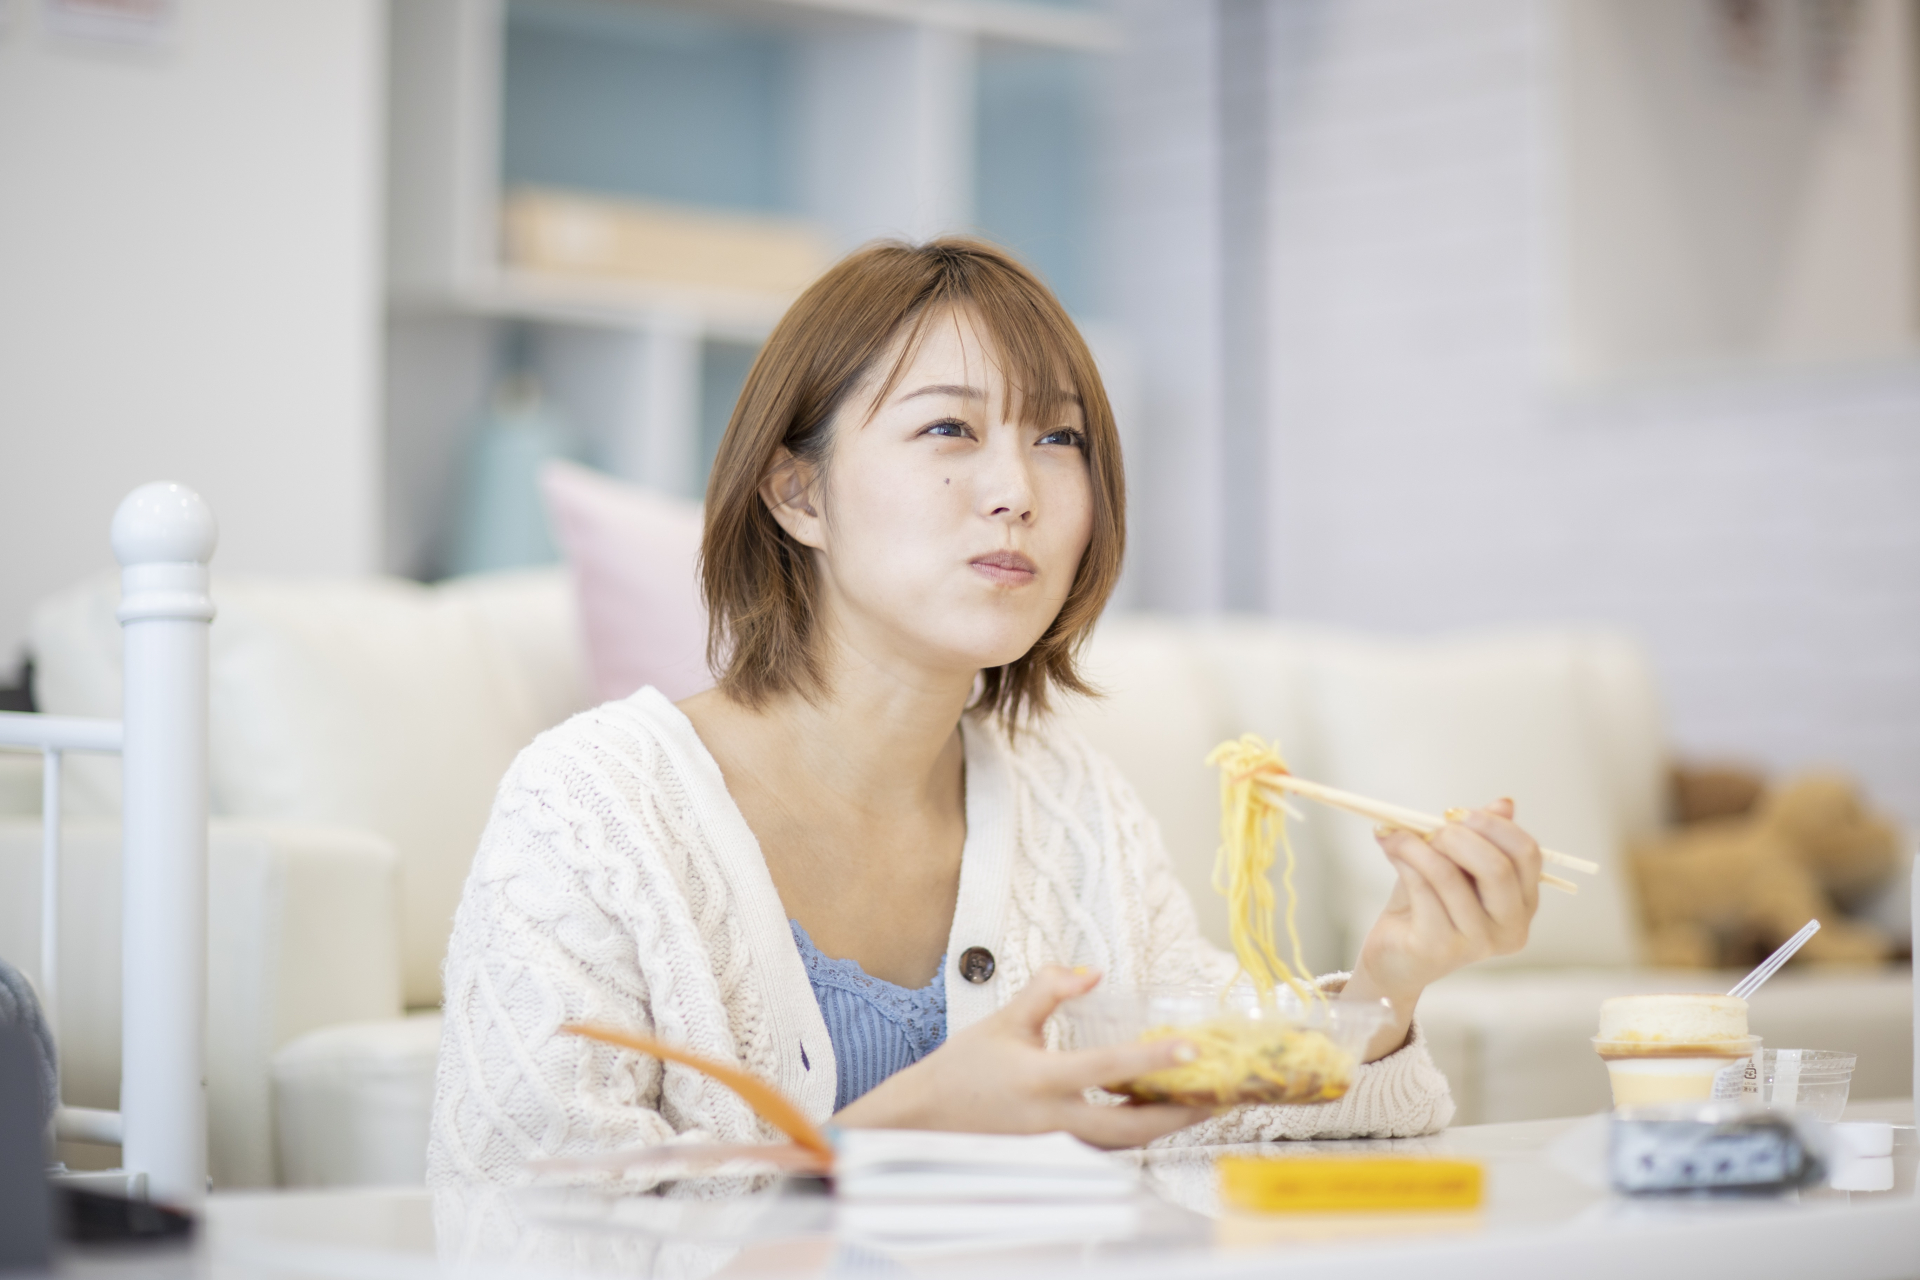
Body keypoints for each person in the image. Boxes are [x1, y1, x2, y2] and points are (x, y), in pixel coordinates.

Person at [427, 239, 1543, 1186]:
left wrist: (1390, 976)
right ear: (797, 492)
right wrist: (909, 1126)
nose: (1019, 487)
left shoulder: (1073, 806)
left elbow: (1221, 1098)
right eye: (949, 431)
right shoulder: (588, 809)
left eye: (1060, 438)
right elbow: (525, 1221)